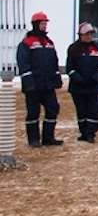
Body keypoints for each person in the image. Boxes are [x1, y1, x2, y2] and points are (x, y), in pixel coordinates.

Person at [16, 11, 64, 147]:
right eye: (42, 23)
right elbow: (23, 64)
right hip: (33, 86)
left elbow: (54, 61)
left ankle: (48, 138)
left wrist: (57, 77)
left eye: (45, 24)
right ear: (36, 24)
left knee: (53, 108)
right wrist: (28, 82)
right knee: (33, 112)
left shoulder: (49, 43)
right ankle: (33, 139)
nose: (45, 26)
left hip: (48, 85)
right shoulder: (27, 43)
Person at [66, 22, 98, 143]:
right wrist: (78, 79)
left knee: (93, 110)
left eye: (90, 34)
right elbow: (70, 67)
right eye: (86, 34)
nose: (89, 36)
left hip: (94, 86)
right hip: (78, 87)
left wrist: (96, 77)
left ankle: (91, 133)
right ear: (81, 35)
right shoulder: (73, 49)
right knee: (81, 111)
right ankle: (83, 132)